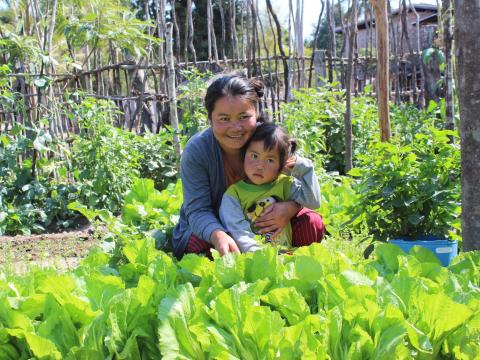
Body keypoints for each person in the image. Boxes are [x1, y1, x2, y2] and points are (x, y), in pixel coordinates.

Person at [172, 74, 325, 259]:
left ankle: (287, 259)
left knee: (312, 223)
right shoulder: (197, 150)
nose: (235, 127)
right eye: (224, 118)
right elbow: (198, 210)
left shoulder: (269, 140)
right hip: (219, 224)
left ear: (255, 113)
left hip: (266, 222)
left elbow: (300, 188)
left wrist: (291, 207)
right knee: (200, 245)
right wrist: (217, 234)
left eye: (244, 117)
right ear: (210, 118)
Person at [219, 122, 322, 252]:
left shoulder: (285, 184)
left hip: (287, 256)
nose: (260, 166)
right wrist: (262, 257)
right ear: (243, 154)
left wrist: (304, 168)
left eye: (270, 160)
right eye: (254, 156)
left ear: (282, 164)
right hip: (254, 260)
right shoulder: (234, 195)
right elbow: (239, 232)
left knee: (311, 220)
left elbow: (313, 201)